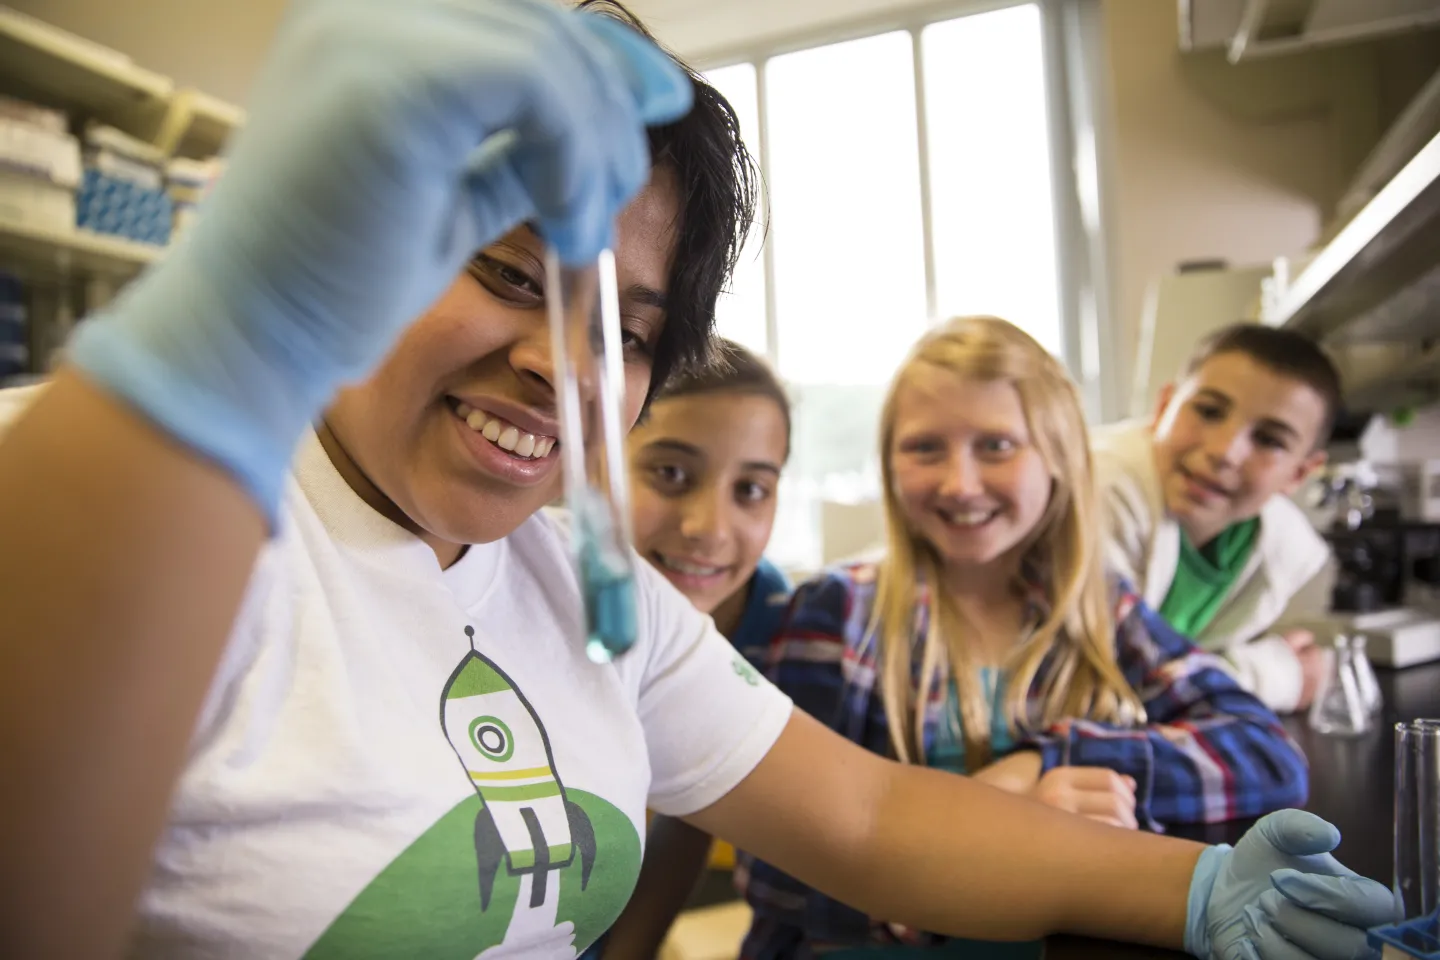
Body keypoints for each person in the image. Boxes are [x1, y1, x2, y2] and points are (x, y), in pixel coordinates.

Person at [0, 2, 1394, 959]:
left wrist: (1195, 889)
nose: (564, 367)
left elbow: (865, 815)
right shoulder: (182, 516)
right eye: (502, 277)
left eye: (628, 332)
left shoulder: (574, 585)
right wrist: (230, 339)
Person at [735, 316, 1313, 959]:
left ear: (1059, 459)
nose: (960, 482)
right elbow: (779, 874)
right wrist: (1005, 827)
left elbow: (1267, 754)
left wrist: (1049, 764)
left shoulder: (1098, 607)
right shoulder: (838, 614)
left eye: (997, 446)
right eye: (926, 448)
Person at [588, 338, 794, 959]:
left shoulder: (768, 615)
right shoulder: (555, 582)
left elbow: (699, 809)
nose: (709, 527)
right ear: (599, 461)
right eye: (670, 474)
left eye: (751, 489)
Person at [1092, 324, 1339, 713]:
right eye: (1208, 412)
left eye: (1269, 440)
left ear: (1299, 474)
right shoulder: (1101, 492)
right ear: (1163, 409)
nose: (1225, 451)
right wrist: (1275, 676)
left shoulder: (1275, 546)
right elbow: (1096, 693)